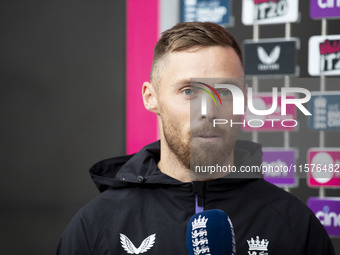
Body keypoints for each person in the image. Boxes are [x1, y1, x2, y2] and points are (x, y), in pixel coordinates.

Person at [57, 22, 335, 254]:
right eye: (189, 91)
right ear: (150, 97)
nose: (208, 112)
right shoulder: (96, 225)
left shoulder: (294, 224)